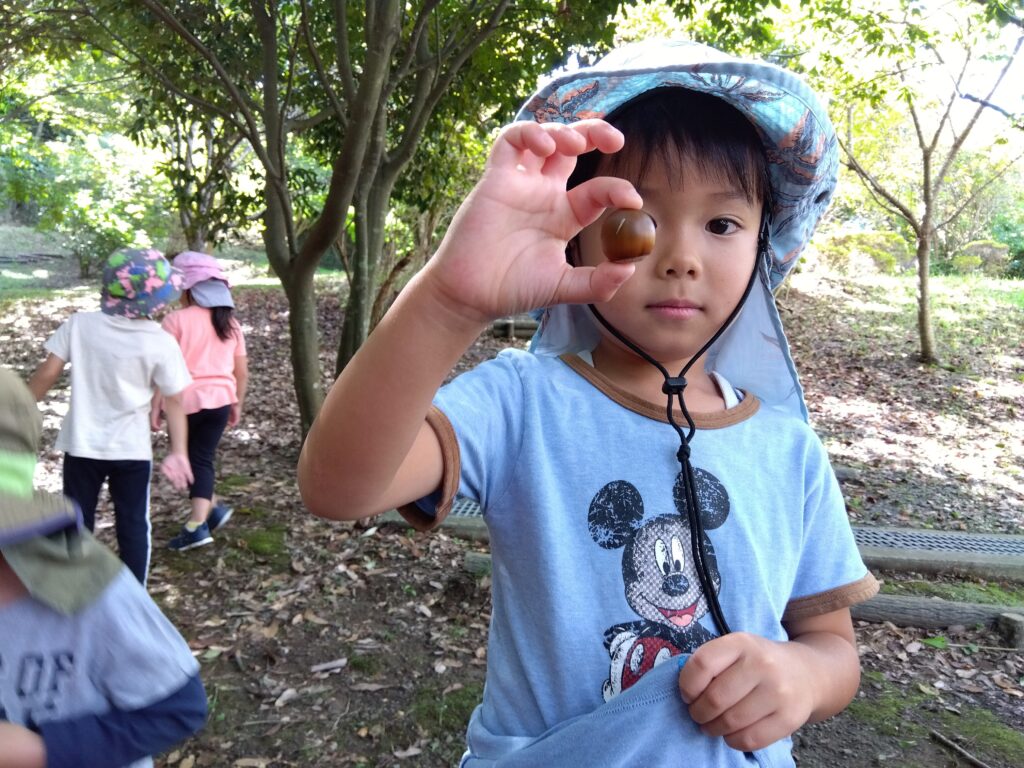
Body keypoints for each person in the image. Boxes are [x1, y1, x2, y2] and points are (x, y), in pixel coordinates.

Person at [298, 40, 879, 766]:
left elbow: (833, 648)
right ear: (575, 241)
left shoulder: (789, 447)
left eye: (721, 224)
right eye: (635, 220)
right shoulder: (522, 403)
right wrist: (449, 300)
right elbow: (338, 486)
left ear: (765, 244)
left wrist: (801, 676)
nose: (680, 258)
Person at [0, 367, 207, 768]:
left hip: (124, 454)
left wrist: (39, 751)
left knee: (133, 523)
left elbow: (178, 706)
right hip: (91, 449)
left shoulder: (92, 590)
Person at [28, 248, 193, 585]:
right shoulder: (161, 343)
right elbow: (175, 401)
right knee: (133, 523)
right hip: (131, 451)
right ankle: (134, 594)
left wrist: (17, 409)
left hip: (82, 445)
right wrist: (178, 451)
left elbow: (47, 373)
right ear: (155, 301)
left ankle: (73, 588)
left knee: (76, 519)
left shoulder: (80, 325)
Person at [155, 251, 248, 552]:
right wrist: (237, 402)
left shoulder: (174, 320)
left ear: (185, 289)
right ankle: (213, 507)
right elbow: (241, 371)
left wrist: (156, 404)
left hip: (184, 403)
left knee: (193, 459)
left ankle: (197, 527)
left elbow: (164, 370)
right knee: (201, 457)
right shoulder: (230, 323)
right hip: (221, 401)